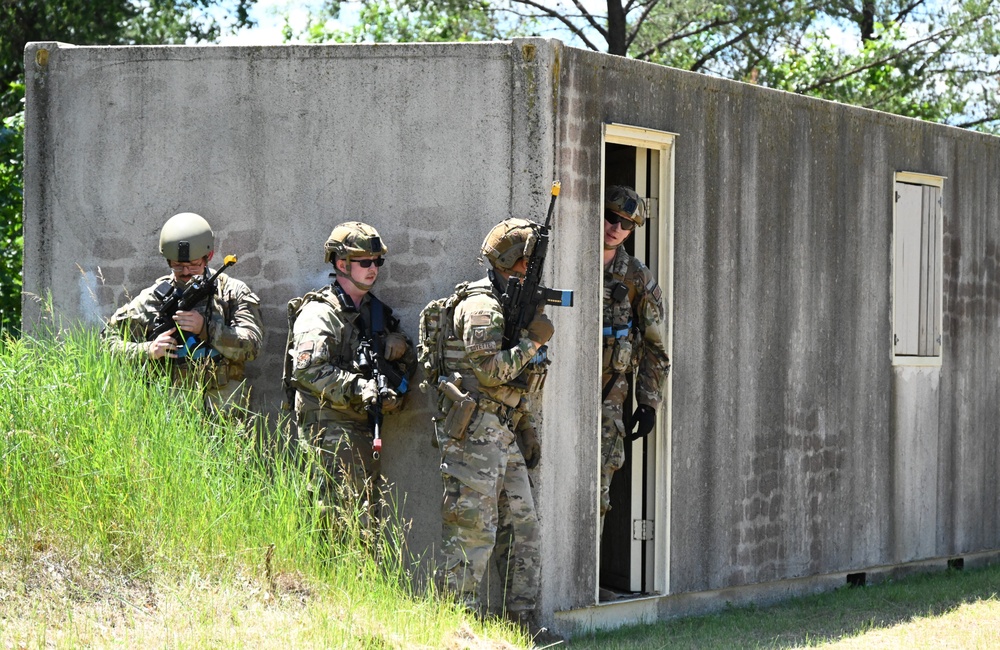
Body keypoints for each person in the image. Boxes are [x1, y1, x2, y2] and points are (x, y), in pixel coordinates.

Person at [434, 217, 554, 624]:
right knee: (472, 535)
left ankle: (522, 625)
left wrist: (525, 425)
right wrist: (533, 340)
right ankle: (456, 628)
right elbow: (488, 370)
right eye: (529, 259)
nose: (533, 266)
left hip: (503, 429)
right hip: (474, 434)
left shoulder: (511, 299)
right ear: (515, 262)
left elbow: (518, 381)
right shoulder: (481, 305)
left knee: (523, 532)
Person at [285, 221, 415, 521]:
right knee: (333, 529)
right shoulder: (320, 313)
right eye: (365, 262)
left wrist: (400, 350)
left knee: (364, 530)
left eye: (377, 261)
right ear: (341, 263)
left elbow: (406, 368)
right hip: (328, 437)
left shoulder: (376, 312)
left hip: (362, 437)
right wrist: (363, 388)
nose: (374, 268)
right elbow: (307, 370)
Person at [102, 212, 263, 415]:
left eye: (193, 265)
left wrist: (207, 329)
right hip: (172, 417)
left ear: (209, 257)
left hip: (225, 414)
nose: (186, 272)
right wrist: (148, 350)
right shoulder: (154, 298)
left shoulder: (231, 292)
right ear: (168, 260)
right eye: (178, 266)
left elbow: (253, 345)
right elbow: (107, 341)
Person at [600, 186, 670, 533]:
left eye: (626, 224)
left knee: (598, 491)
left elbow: (657, 346)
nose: (616, 228)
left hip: (609, 397)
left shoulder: (636, 277)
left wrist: (649, 402)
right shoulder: (569, 259)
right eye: (611, 217)